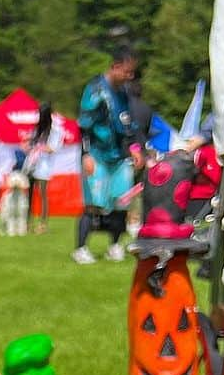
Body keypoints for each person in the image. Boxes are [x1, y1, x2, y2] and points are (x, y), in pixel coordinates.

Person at [73, 46, 140, 265]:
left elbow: (126, 123)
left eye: (133, 73)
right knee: (94, 203)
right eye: (127, 72)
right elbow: (83, 126)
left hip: (119, 156)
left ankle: (115, 246)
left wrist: (134, 150)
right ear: (115, 66)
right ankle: (81, 248)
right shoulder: (95, 90)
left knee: (121, 202)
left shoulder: (123, 93)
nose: (130, 77)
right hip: (97, 154)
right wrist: (86, 155)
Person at [25, 101, 63, 234]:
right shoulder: (37, 129)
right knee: (28, 194)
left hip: (44, 165)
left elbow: (54, 148)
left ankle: (42, 223)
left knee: (42, 194)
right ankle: (27, 222)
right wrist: (30, 146)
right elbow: (31, 143)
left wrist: (40, 148)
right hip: (31, 164)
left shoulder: (55, 129)